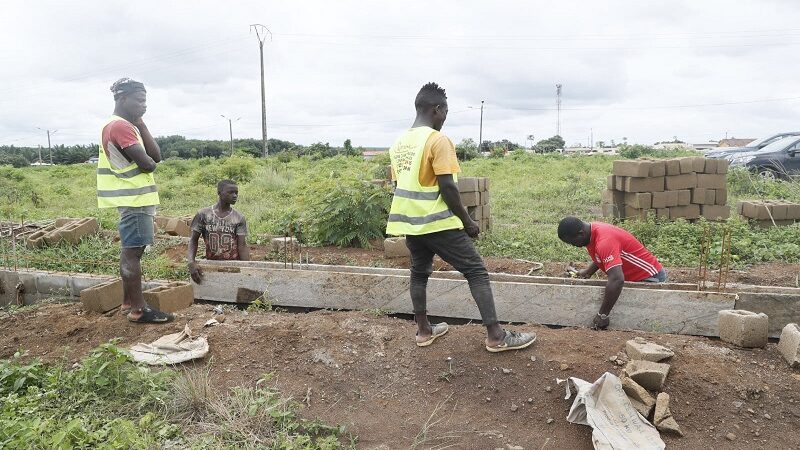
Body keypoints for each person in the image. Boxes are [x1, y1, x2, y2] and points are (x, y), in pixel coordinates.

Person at [386, 82, 536, 352]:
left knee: (418, 274)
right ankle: (496, 336)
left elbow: (400, 186)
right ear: (437, 109)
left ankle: (423, 331)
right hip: (438, 222)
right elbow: (448, 186)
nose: (444, 119)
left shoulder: (399, 144)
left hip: (411, 225)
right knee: (476, 271)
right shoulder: (437, 140)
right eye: (445, 113)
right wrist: (468, 222)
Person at [97, 78, 173, 323]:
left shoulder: (126, 125)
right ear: (122, 99)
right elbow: (148, 163)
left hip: (133, 198)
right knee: (133, 254)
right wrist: (136, 125)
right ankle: (139, 310)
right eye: (139, 101)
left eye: (145, 101)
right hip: (135, 199)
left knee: (130, 251)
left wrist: (140, 122)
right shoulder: (119, 127)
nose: (144, 105)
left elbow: (156, 157)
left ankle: (128, 302)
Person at [557, 216, 667, 330]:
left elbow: (617, 280)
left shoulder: (605, 241)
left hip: (650, 278)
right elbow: (601, 255)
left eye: (572, 242)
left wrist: (603, 315)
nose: (573, 246)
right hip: (634, 276)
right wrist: (588, 272)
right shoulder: (592, 231)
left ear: (581, 233)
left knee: (642, 324)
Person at [187, 179, 250, 283]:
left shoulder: (238, 217)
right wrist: (191, 262)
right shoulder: (203, 215)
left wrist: (247, 270)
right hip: (211, 264)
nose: (235, 196)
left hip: (233, 266)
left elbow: (242, 246)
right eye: (230, 192)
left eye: (236, 193)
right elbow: (193, 240)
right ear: (219, 193)